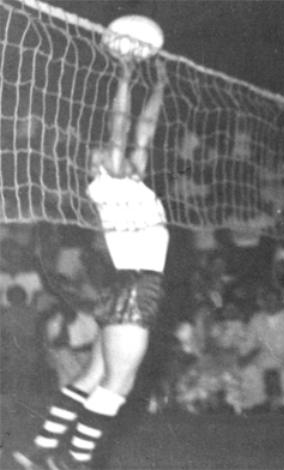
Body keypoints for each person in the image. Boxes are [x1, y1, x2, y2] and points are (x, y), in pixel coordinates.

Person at [13, 58, 168, 470]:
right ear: (98, 165)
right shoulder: (110, 183)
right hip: (136, 288)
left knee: (91, 378)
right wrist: (125, 74)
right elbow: (121, 126)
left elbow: (143, 133)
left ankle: (40, 449)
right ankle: (75, 460)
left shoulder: (129, 183)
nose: (110, 151)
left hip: (124, 288)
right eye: (102, 153)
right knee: (117, 384)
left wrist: (159, 88)